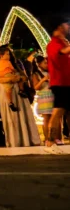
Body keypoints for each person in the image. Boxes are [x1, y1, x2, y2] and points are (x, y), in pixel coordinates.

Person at [0, 46, 40, 148]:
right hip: (6, 89)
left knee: (22, 113)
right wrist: (8, 80)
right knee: (11, 115)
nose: (8, 56)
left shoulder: (14, 65)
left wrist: (19, 78)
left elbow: (24, 76)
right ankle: (15, 140)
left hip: (18, 90)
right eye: (6, 54)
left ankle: (28, 139)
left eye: (9, 54)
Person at [45, 20, 70, 150]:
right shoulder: (53, 43)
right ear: (59, 27)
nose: (68, 27)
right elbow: (63, 52)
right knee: (58, 111)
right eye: (67, 24)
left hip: (67, 82)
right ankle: (50, 142)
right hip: (60, 83)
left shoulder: (62, 42)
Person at [32, 55, 53, 144]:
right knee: (46, 119)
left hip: (53, 95)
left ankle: (54, 137)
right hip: (44, 96)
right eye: (45, 63)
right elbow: (36, 87)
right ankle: (47, 138)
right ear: (39, 64)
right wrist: (43, 80)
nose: (47, 64)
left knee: (54, 118)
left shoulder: (51, 72)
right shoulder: (36, 74)